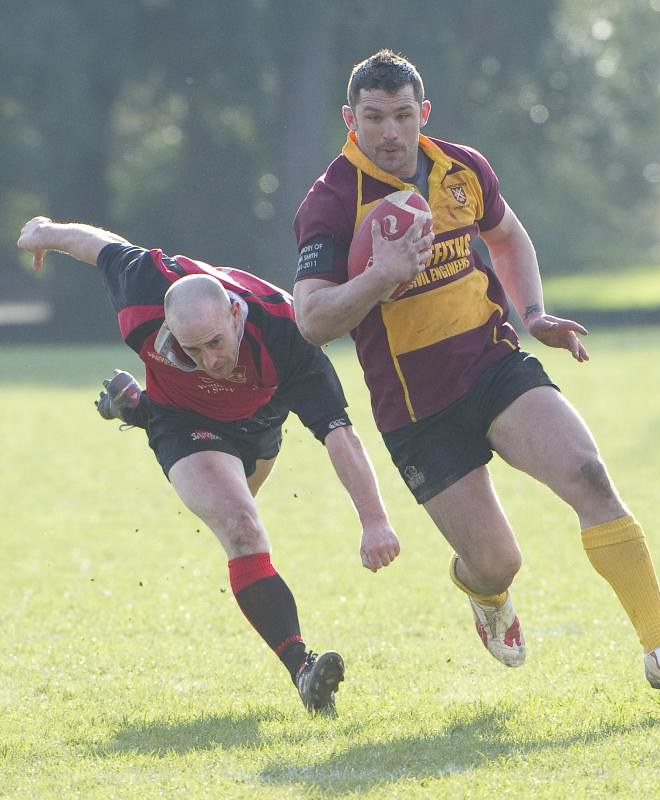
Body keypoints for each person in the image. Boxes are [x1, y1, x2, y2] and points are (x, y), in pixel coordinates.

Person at [291, 49, 660, 692]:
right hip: (417, 410)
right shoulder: (328, 203)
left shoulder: (462, 168)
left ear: (423, 112)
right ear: (350, 120)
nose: (390, 132)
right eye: (374, 117)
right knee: (497, 563)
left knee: (589, 477)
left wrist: (534, 313)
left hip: (494, 366)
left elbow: (508, 237)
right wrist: (381, 276)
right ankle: (484, 593)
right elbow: (312, 320)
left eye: (402, 115)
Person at [17, 215, 402, 714]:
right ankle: (302, 668)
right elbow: (100, 244)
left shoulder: (286, 333)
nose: (208, 360)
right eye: (190, 349)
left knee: (246, 498)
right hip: (182, 422)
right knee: (242, 528)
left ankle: (136, 408)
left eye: (216, 343)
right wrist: (43, 231)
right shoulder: (142, 285)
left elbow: (338, 432)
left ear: (236, 315)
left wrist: (374, 521)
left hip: (257, 422)